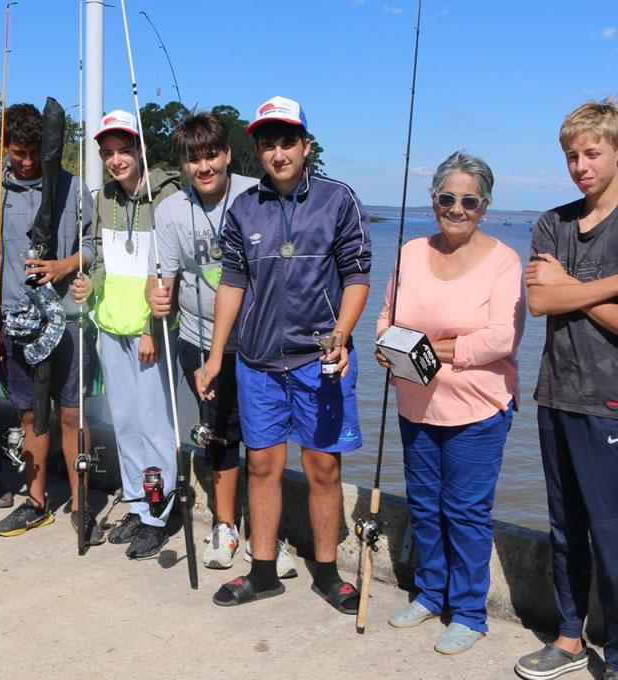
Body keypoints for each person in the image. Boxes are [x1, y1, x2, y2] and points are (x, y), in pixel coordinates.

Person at [195, 96, 371, 612]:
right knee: (263, 465)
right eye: (268, 143)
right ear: (256, 150)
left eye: (287, 140)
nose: (278, 152)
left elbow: (358, 274)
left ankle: (326, 572)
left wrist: (340, 335)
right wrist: (214, 354)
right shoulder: (244, 207)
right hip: (258, 364)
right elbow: (232, 281)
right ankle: (264, 570)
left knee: (323, 469)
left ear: (306, 145)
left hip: (320, 361)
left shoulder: (339, 200)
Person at [375, 152, 524, 654]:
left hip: (479, 410)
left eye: (468, 200)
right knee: (424, 505)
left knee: (465, 512)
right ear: (433, 200)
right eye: (446, 198)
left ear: (484, 206)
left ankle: (469, 612)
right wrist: (392, 345)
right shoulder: (411, 252)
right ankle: (430, 593)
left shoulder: (504, 260)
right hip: (415, 406)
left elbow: (501, 339)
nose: (456, 208)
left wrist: (425, 346)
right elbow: (384, 321)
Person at [146, 112, 298, 575]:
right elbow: (163, 277)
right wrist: (155, 298)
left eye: (212, 155)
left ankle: (263, 534)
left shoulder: (259, 196)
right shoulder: (170, 210)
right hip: (198, 339)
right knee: (218, 434)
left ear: (229, 154)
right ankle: (225, 525)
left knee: (265, 438)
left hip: (261, 341)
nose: (204, 167)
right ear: (183, 164)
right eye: (194, 159)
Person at [516, 97, 618, 680]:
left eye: (593, 153)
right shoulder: (552, 223)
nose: (581, 165)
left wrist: (570, 283)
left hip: (609, 404)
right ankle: (569, 637)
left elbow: (561, 292)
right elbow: (539, 301)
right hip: (554, 394)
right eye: (572, 156)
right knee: (564, 530)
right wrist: (603, 288)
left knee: (612, 534)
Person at [0, 103, 97, 542]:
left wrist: (65, 266)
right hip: (14, 324)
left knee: (72, 413)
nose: (25, 160)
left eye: (34, 150)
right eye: (17, 150)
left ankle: (82, 505)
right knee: (29, 414)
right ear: (5, 146)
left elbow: (92, 247)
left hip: (70, 321)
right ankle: (36, 501)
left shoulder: (75, 189)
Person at [72, 109, 182, 559]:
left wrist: (153, 329)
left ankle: (159, 515)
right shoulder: (103, 200)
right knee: (125, 422)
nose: (116, 159)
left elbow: (167, 269)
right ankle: (138, 503)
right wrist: (89, 283)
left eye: (123, 150)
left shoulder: (167, 195)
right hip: (110, 327)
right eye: (108, 153)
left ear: (139, 149)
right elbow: (99, 262)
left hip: (149, 332)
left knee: (155, 425)